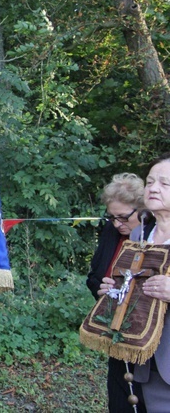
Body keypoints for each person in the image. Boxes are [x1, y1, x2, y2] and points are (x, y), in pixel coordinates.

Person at [99, 153, 170, 412]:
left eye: (164, 184)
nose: (153, 188)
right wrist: (115, 290)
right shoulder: (140, 233)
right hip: (143, 357)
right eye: (150, 182)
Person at [86, 173, 147, 413]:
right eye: (112, 217)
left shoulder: (154, 238)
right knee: (120, 400)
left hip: (145, 338)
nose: (117, 224)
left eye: (123, 217)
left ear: (142, 211)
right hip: (115, 333)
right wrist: (102, 290)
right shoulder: (111, 233)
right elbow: (94, 276)